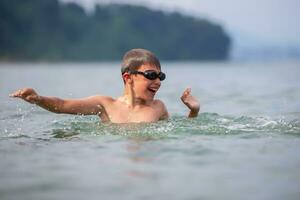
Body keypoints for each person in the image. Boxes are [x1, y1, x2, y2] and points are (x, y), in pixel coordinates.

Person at [9, 49, 200, 123]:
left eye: (160, 76)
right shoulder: (106, 105)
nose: (157, 81)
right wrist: (39, 99)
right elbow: (63, 106)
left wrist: (194, 111)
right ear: (128, 77)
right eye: (151, 75)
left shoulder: (159, 108)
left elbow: (182, 133)